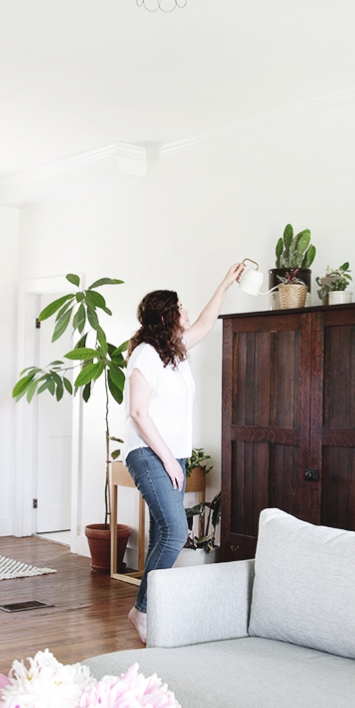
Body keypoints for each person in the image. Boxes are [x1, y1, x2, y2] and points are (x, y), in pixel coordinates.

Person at [123, 264, 245, 643]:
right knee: (176, 531)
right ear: (166, 316)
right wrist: (166, 460)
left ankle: (152, 610)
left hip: (170, 456)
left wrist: (225, 282)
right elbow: (138, 412)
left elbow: (206, 324)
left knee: (163, 531)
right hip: (148, 453)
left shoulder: (173, 353)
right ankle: (141, 610)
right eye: (181, 309)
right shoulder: (145, 354)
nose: (187, 314)